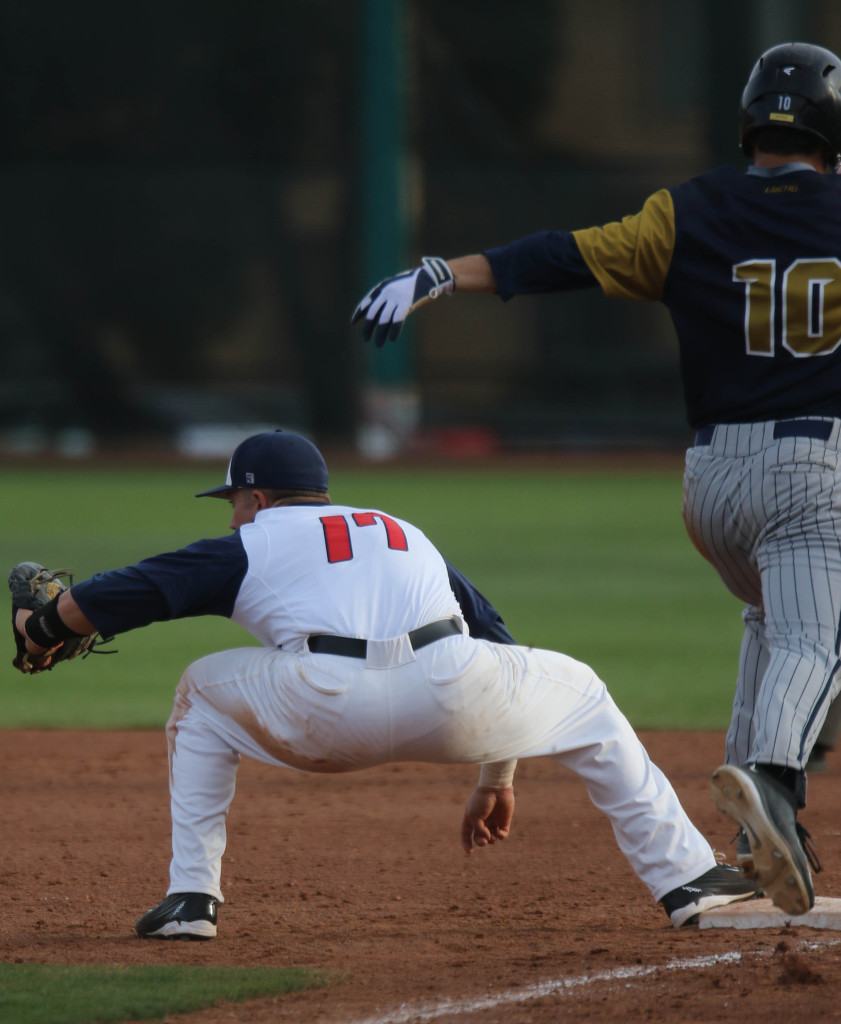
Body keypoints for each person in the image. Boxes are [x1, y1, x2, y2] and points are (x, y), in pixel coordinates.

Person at [351, 41, 841, 917]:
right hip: (814, 468)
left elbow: (562, 255)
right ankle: (769, 781)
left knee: (776, 620)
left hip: (712, 484)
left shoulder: (688, 211)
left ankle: (752, 839)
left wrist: (443, 273)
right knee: (818, 640)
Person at [13, 430, 756, 939]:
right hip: (458, 697)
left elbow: (123, 594)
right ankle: (687, 880)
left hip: (326, 713)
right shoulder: (399, 528)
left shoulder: (248, 543)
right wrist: (497, 772)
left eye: (234, 499)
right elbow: (492, 634)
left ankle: (191, 898)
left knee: (199, 692)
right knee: (583, 692)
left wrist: (44, 629)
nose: (232, 512)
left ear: (259, 500)